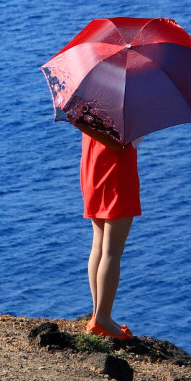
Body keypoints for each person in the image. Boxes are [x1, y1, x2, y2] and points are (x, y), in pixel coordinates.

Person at [74, 123, 142, 341]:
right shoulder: (120, 108)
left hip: (93, 168)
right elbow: (120, 145)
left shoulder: (87, 101)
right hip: (115, 173)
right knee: (112, 252)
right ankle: (102, 318)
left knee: (98, 245)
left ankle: (99, 314)